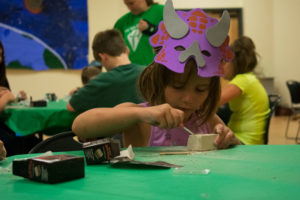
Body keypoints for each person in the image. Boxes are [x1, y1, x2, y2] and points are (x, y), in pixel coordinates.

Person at [72, 1, 241, 149]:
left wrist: (231, 141)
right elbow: (80, 126)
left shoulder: (206, 120)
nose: (188, 98)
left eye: (200, 89)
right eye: (178, 86)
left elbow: (242, 152)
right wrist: (141, 114)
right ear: (160, 82)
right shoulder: (141, 118)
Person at [67, 29, 145, 113]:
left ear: (103, 57)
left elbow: (71, 106)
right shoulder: (148, 72)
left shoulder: (101, 81)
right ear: (127, 50)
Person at [219, 36, 270, 145]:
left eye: (225, 62)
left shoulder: (242, 81)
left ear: (234, 63)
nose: (221, 67)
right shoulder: (249, 78)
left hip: (245, 141)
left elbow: (212, 102)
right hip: (247, 139)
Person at [114, 0, 163, 66]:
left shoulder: (161, 11)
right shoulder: (122, 22)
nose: (129, 8)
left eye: (131, 3)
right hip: (133, 70)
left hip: (156, 67)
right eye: (126, 4)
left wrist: (151, 29)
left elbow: (177, 36)